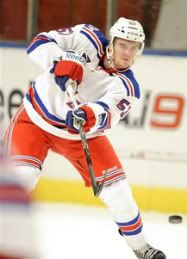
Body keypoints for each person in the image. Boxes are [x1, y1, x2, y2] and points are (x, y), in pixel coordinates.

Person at [4, 17, 166, 259]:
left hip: (79, 135)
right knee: (22, 180)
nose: (128, 52)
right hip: (35, 119)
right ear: (112, 43)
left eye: (134, 48)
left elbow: (108, 114)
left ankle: (140, 246)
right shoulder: (85, 36)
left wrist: (87, 114)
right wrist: (61, 62)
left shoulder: (127, 87)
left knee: (118, 190)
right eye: (124, 45)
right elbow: (38, 43)